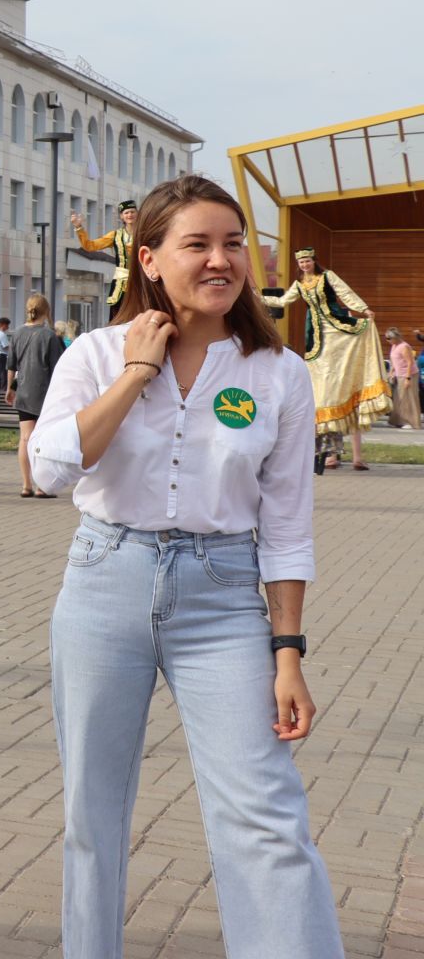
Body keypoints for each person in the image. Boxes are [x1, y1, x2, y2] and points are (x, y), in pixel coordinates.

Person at [31, 173, 343, 957]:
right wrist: (137, 372)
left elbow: (288, 526)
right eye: (197, 244)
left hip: (226, 596)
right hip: (106, 583)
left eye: (234, 243)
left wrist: (289, 652)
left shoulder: (277, 374)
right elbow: (50, 469)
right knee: (91, 816)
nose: (220, 260)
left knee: (267, 817)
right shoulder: (97, 354)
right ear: (148, 260)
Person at [262, 249, 390, 470]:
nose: (304, 265)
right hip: (316, 336)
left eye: (307, 261)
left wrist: (363, 308)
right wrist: (258, 297)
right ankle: (330, 453)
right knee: (322, 384)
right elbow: (283, 301)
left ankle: (341, 452)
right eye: (301, 262)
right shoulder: (299, 284)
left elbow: (345, 292)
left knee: (338, 374)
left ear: (314, 261)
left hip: (337, 328)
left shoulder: (327, 276)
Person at [4, 291, 64, 499]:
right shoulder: (49, 336)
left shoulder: (17, 333)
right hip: (45, 393)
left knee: (25, 439)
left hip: (23, 391)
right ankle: (43, 486)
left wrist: (9, 388)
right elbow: (58, 367)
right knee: (45, 440)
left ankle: (25, 484)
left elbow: (11, 364)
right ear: (46, 311)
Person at [71, 199, 139, 316]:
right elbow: (90, 246)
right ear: (121, 217)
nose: (130, 215)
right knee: (117, 318)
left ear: (137, 214)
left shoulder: (145, 233)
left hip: (141, 281)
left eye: (132, 212)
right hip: (120, 284)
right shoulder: (115, 235)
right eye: (126, 213)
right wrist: (79, 228)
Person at [388, 328, 420, 430]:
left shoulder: (404, 347)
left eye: (389, 338)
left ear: (395, 337)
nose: (387, 340)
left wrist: (408, 378)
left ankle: (411, 422)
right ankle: (397, 420)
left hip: (408, 374)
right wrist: (392, 372)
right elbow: (394, 360)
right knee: (399, 398)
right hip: (399, 375)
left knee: (408, 398)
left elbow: (410, 362)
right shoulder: (394, 346)